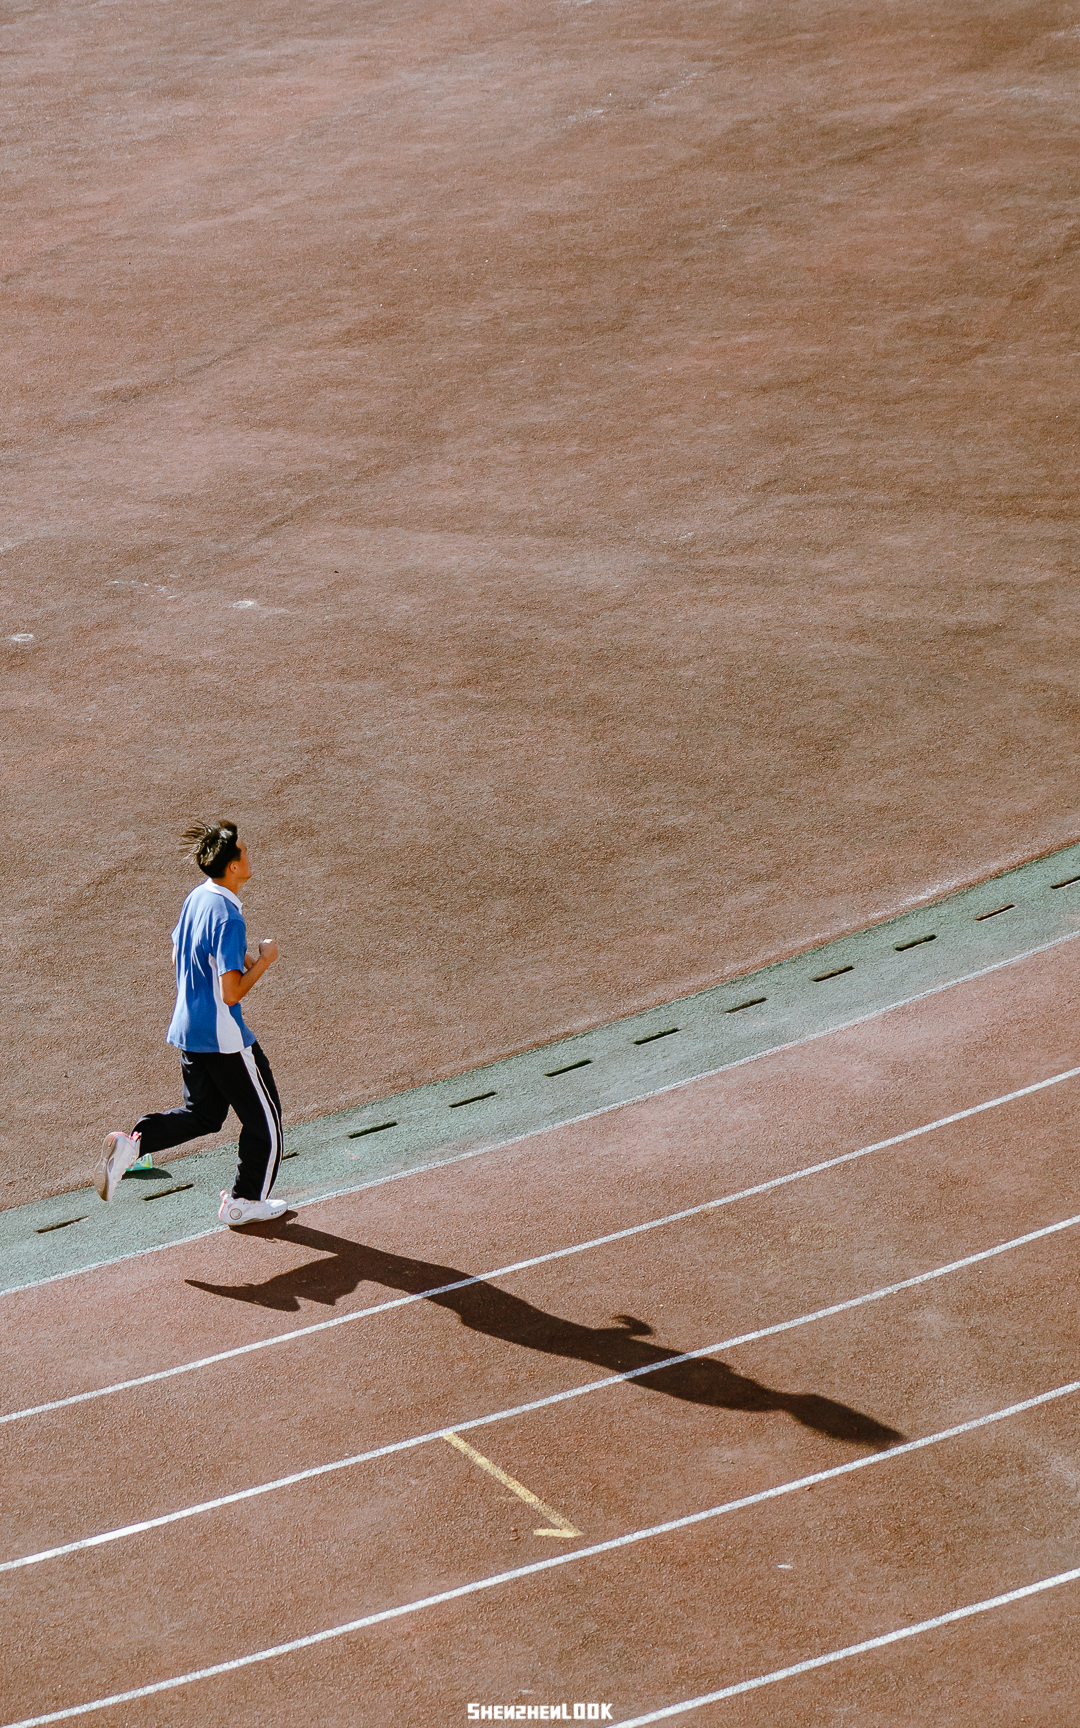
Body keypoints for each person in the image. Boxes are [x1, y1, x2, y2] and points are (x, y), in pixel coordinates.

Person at [97, 820, 288, 1227]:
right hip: (223, 1039)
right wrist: (265, 961)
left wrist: (236, 960)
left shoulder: (198, 898)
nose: (249, 856)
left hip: (188, 1029)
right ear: (233, 866)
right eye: (245, 852)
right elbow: (232, 993)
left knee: (203, 1115)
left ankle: (133, 1144)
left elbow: (180, 956)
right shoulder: (230, 919)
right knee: (265, 1123)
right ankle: (244, 1201)